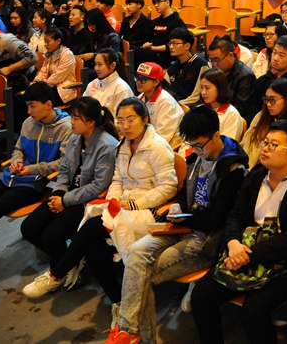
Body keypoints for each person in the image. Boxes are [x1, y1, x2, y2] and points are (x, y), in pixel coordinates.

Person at [106, 106, 248, 343]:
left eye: (199, 146)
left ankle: (133, 334)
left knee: (141, 275)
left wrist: (186, 217)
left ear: (216, 135)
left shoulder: (234, 169)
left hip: (205, 240)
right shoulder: (197, 157)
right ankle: (129, 332)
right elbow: (184, 192)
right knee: (135, 253)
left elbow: (217, 218)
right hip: (181, 226)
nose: (196, 151)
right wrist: (177, 207)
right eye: (192, 146)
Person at [21, 98, 177, 302]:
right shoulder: (123, 145)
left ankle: (56, 274)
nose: (125, 126)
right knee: (94, 250)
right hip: (122, 206)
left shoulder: (157, 147)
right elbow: (117, 179)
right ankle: (118, 302)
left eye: (131, 120)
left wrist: (133, 204)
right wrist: (112, 200)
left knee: (91, 226)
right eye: (121, 121)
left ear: (145, 119)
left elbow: (168, 187)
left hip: (148, 210)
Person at [191, 120, 287, 344]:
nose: (265, 149)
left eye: (274, 145)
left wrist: (247, 255)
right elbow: (236, 215)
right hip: (243, 250)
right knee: (201, 296)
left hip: (285, 261)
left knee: (252, 313)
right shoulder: (257, 175)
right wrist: (233, 243)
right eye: (265, 142)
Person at [0, 83, 71, 300]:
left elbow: (63, 163)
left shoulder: (65, 128)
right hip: (10, 178)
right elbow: (18, 149)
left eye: (32, 106)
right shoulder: (28, 123)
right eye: (27, 106)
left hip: (31, 184)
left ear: (48, 104)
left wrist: (31, 169)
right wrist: (17, 161)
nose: (28, 111)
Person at [17, 97, 117, 303]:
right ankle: (70, 260)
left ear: (91, 122)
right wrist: (58, 194)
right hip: (67, 195)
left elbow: (98, 187)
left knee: (51, 235)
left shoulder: (107, 146)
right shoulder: (75, 138)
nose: (71, 122)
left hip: (86, 201)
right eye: (71, 117)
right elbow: (63, 171)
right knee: (29, 228)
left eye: (76, 118)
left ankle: (59, 269)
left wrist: (66, 200)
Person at [242, 77, 287, 168]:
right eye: (266, 99)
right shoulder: (260, 117)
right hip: (250, 168)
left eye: (272, 100)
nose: (268, 104)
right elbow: (246, 144)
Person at [207, 36, 257, 123]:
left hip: (231, 120)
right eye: (211, 60)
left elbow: (240, 110)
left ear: (230, 55)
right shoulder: (215, 71)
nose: (214, 64)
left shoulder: (246, 76)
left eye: (217, 60)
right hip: (212, 115)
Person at [134, 61, 183, 148]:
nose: (138, 82)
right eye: (137, 77)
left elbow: (163, 136)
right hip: (148, 142)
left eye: (143, 79)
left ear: (156, 82)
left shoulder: (166, 102)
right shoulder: (140, 97)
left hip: (168, 146)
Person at [137, 0, 187, 69]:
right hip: (151, 52)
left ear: (167, 2)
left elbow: (174, 45)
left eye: (159, 2)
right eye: (155, 3)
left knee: (134, 52)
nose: (156, 5)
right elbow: (146, 38)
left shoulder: (177, 22)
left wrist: (152, 48)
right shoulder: (154, 22)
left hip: (166, 57)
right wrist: (146, 44)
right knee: (131, 49)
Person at [30, 26, 77, 106]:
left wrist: (42, 84)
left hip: (63, 90)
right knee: (29, 95)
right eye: (45, 41)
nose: (45, 44)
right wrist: (37, 80)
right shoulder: (49, 53)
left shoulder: (67, 54)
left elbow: (58, 76)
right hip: (50, 85)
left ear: (58, 41)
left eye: (48, 41)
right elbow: (43, 70)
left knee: (37, 100)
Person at [163, 27, 209, 107]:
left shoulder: (201, 64)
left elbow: (197, 96)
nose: (171, 47)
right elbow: (164, 90)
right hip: (174, 105)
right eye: (170, 43)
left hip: (193, 107)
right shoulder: (172, 67)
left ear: (187, 46)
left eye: (175, 43)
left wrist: (177, 105)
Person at [198, 67, 245, 142]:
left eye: (207, 88)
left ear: (220, 88)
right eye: (201, 87)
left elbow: (227, 144)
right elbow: (188, 138)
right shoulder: (199, 109)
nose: (203, 92)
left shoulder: (231, 114)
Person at [83, 48, 134, 116]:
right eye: (95, 64)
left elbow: (121, 118)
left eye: (100, 64)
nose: (96, 68)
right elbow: (83, 109)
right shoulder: (92, 84)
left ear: (112, 65)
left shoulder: (122, 88)